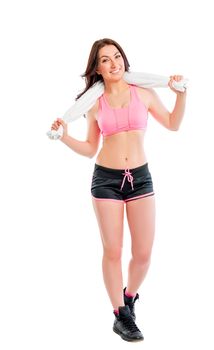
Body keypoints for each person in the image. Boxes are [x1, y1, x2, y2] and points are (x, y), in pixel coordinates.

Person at [51, 38, 187, 342]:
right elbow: (89, 149)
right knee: (112, 251)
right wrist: (63, 137)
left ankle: (129, 297)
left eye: (117, 56)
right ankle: (120, 315)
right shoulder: (92, 103)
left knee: (143, 254)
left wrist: (181, 94)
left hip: (140, 177)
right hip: (106, 180)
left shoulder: (144, 93)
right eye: (106, 60)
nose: (114, 64)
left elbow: (173, 123)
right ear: (97, 68)